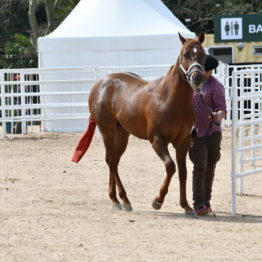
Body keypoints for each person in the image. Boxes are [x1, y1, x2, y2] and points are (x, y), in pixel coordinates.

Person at [189, 55, 227, 216]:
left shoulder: (216, 86)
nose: (206, 73)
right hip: (196, 132)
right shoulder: (190, 85)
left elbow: (222, 108)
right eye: (205, 70)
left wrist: (217, 115)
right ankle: (198, 204)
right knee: (200, 166)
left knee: (210, 167)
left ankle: (206, 202)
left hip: (212, 132)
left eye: (208, 70)